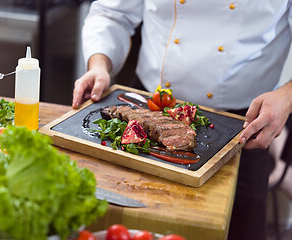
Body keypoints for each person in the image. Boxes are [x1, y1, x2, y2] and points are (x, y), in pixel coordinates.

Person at [72, 1, 292, 239]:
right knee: (125, 220)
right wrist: (99, 65)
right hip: (147, 107)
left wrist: (286, 96)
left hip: (244, 123)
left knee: (238, 227)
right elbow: (111, 13)